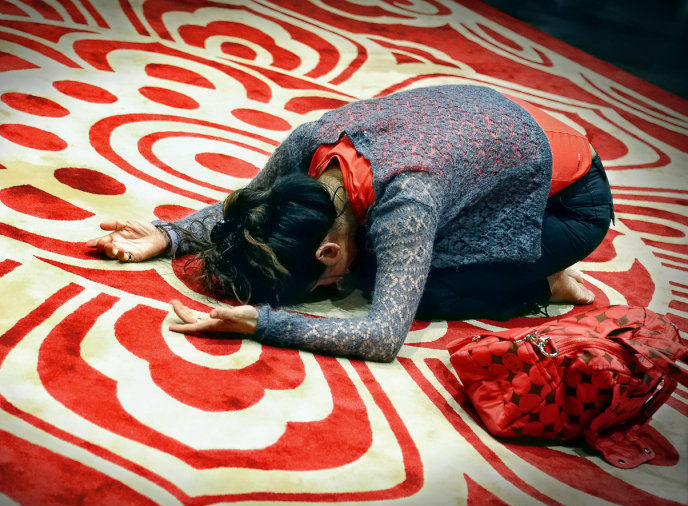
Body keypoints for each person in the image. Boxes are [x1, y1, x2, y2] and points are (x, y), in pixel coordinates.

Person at [87, 85, 614, 363]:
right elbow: (255, 207)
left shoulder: (407, 205)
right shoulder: (310, 143)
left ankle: (542, 279)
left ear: (327, 255)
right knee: (380, 264)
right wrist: (170, 233)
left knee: (386, 282)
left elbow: (384, 336)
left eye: (323, 283)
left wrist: (264, 323)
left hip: (568, 204)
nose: (330, 287)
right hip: (496, 156)